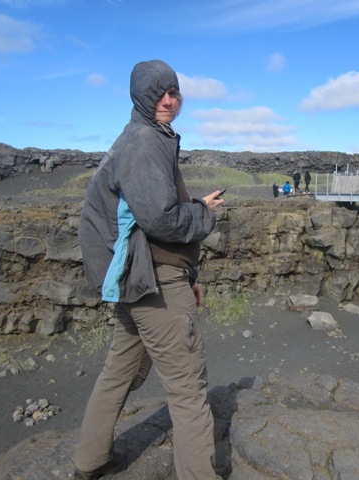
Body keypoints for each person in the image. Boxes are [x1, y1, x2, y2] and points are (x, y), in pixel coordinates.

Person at [74, 60, 224, 480]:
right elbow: (161, 220)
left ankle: (90, 460)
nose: (169, 101)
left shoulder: (143, 137)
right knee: (188, 387)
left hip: (135, 278)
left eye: (174, 92)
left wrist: (189, 277)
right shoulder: (144, 142)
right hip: (154, 282)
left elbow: (142, 218)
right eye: (159, 93)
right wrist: (203, 213)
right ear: (140, 96)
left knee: (119, 371)